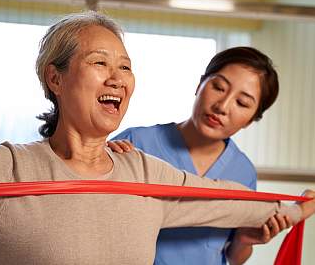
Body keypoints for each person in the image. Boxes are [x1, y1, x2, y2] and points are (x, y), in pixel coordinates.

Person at [0, 11, 315, 265]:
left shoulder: (142, 172)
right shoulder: (4, 169)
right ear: (54, 78)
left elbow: (228, 201)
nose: (118, 77)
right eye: (99, 62)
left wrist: (293, 208)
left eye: (125, 66)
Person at [109, 46, 287, 265]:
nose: (222, 106)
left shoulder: (243, 172)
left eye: (242, 103)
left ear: (250, 120)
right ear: (199, 84)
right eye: (219, 87)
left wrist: (244, 240)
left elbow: (233, 257)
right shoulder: (134, 143)